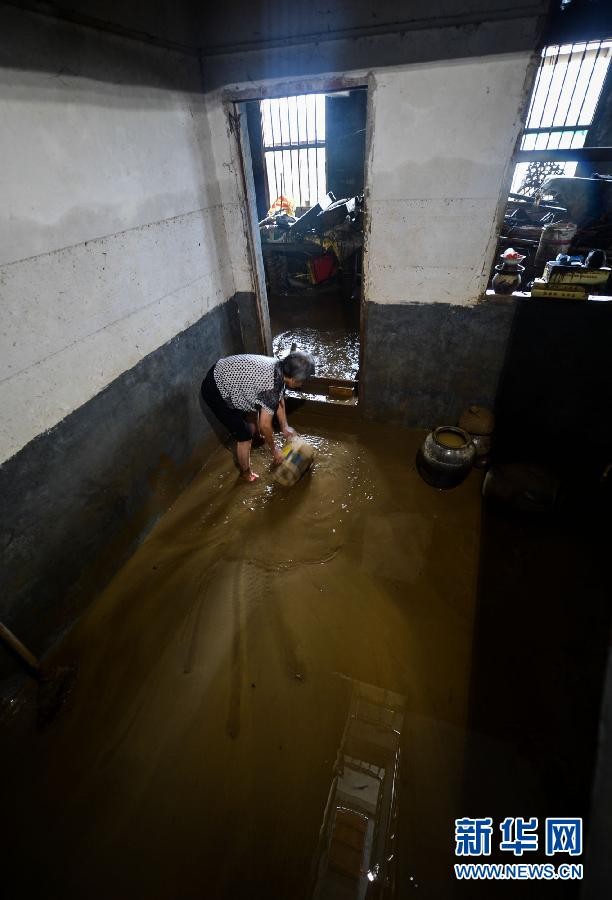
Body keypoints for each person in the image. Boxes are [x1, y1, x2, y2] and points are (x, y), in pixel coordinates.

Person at [201, 351, 315, 482]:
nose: (302, 384)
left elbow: (279, 396)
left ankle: (257, 437)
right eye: (302, 381)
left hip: (226, 372)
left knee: (255, 408)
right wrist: (275, 450)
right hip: (215, 388)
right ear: (294, 379)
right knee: (244, 436)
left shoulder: (279, 368)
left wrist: (285, 426)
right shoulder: (270, 387)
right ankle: (246, 473)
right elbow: (265, 425)